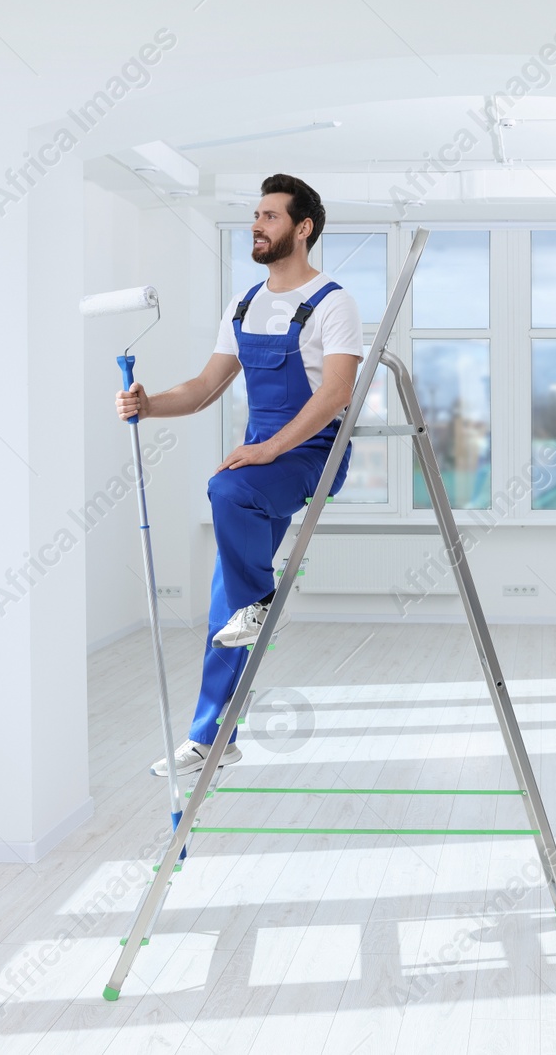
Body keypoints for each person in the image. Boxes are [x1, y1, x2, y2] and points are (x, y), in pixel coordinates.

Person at [115, 174, 362, 777]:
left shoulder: (334, 303)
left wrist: (270, 447)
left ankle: (262, 597)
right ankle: (212, 737)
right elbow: (203, 388)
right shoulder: (244, 304)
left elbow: (334, 395)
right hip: (263, 454)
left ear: (302, 229)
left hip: (310, 451)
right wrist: (149, 405)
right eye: (255, 215)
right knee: (227, 608)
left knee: (226, 487)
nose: (257, 225)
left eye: (271, 217)